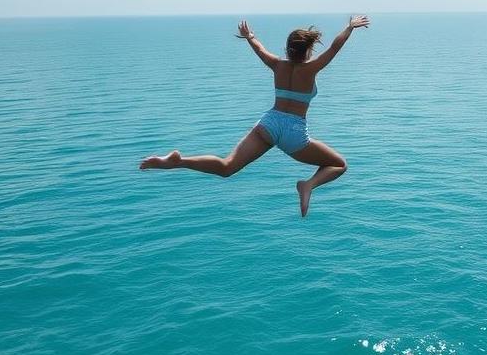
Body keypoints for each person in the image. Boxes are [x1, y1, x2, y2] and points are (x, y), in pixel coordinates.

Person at [139, 15, 370, 216]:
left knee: (227, 166)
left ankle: (179, 161)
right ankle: (308, 185)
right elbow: (335, 47)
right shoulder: (312, 68)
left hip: (269, 123)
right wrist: (350, 27)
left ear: (288, 49)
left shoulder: (277, 65)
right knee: (339, 164)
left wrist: (250, 36)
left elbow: (260, 49)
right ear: (308, 50)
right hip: (294, 133)